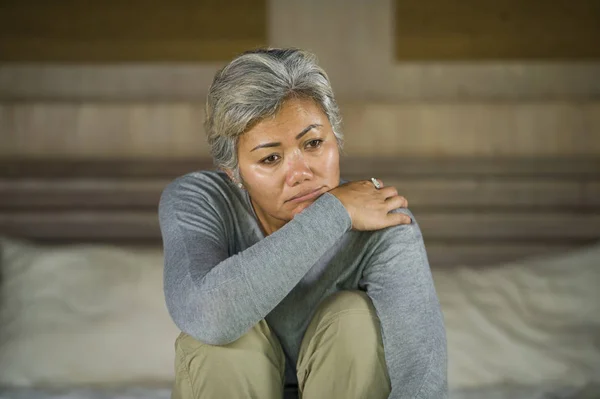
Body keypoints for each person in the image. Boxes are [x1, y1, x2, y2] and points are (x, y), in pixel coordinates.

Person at [158, 48, 447, 399]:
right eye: (271, 158)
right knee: (223, 339)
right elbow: (208, 317)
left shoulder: (382, 216)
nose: (300, 174)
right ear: (233, 173)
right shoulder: (201, 200)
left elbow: (422, 376)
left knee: (353, 316)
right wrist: (332, 212)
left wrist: (336, 212)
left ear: (336, 140)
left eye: (313, 143)